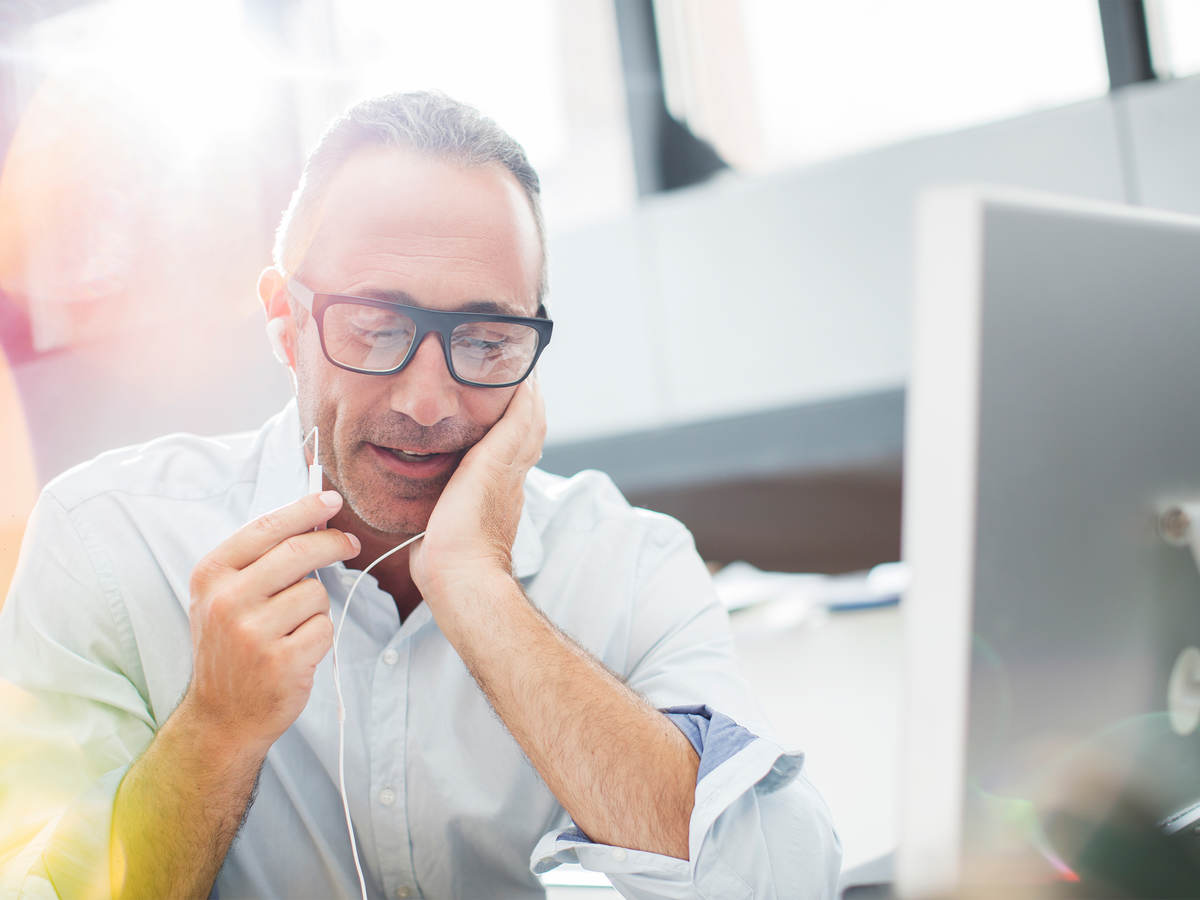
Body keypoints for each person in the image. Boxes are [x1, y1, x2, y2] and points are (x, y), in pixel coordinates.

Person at [0, 92, 840, 899]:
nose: (427, 402)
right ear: (287, 323)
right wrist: (214, 729)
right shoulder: (107, 542)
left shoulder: (628, 560)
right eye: (376, 328)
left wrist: (480, 590)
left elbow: (784, 880)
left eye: (484, 339)